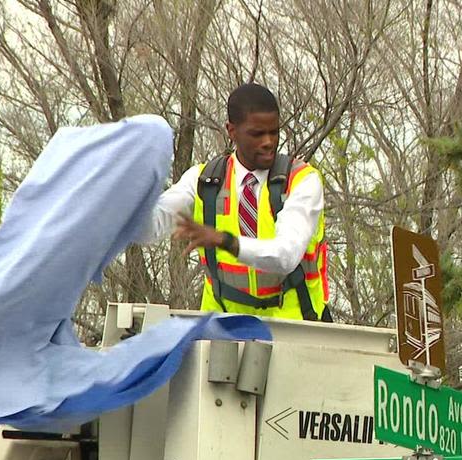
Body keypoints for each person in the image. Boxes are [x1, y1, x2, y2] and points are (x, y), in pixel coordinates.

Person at [140, 83, 331, 321]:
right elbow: (150, 229)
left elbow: (286, 256)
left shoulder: (302, 180)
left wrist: (225, 241)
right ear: (232, 131)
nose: (269, 142)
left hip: (294, 329)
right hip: (223, 331)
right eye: (257, 134)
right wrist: (125, 191)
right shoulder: (204, 181)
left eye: (274, 132)